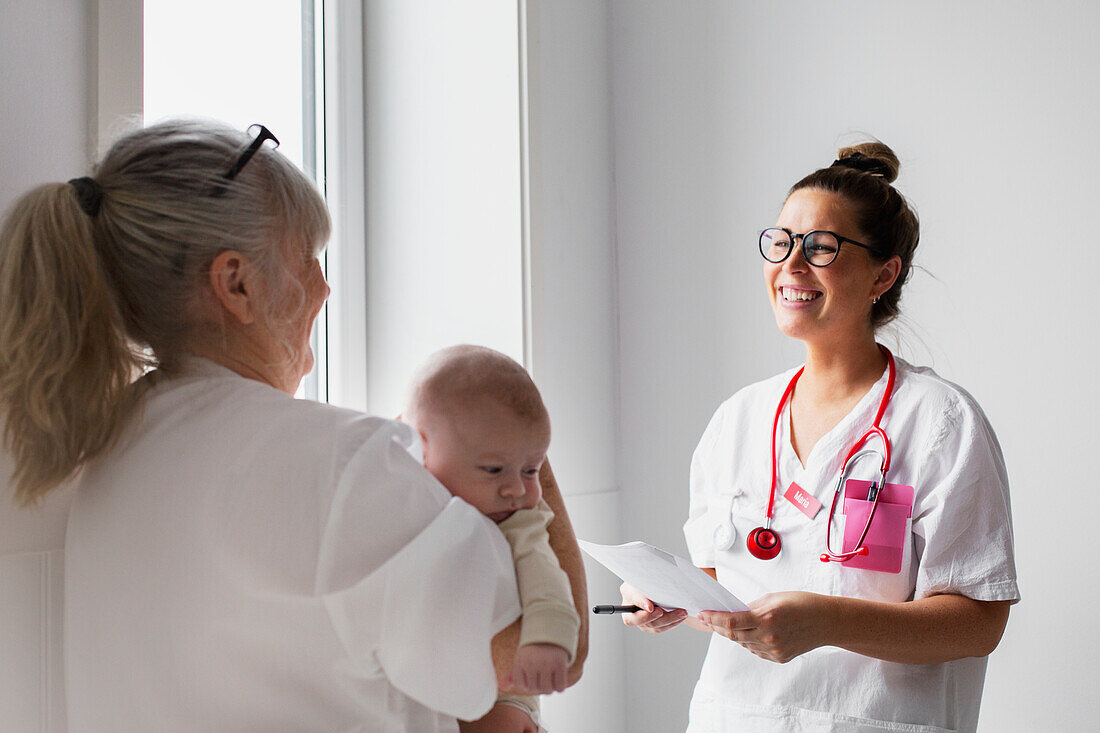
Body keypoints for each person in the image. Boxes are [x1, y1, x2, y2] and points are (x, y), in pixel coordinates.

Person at [0, 118, 584, 732]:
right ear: (236, 285)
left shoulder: (113, 451)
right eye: (307, 260)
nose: (326, 288)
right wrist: (512, 442)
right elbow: (547, 650)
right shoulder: (347, 465)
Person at [621, 142, 1018, 732]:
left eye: (821, 248)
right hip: (737, 717)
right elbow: (718, 579)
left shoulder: (939, 423)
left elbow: (977, 623)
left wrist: (825, 622)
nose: (791, 265)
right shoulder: (739, 419)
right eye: (780, 242)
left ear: (884, 273)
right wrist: (663, 596)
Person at [403, 345, 581, 731]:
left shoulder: (520, 520)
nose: (516, 489)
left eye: (531, 469)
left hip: (502, 687)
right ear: (422, 447)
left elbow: (546, 577)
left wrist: (547, 641)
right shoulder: (403, 491)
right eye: (494, 469)